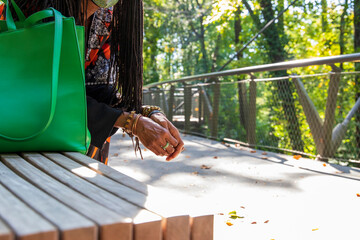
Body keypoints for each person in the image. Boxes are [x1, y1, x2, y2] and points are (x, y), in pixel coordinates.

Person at [1, 0, 184, 164]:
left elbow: (98, 90)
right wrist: (131, 122)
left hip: (76, 144)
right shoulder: (31, 7)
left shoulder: (106, 18)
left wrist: (145, 113)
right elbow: (37, 92)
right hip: (18, 146)